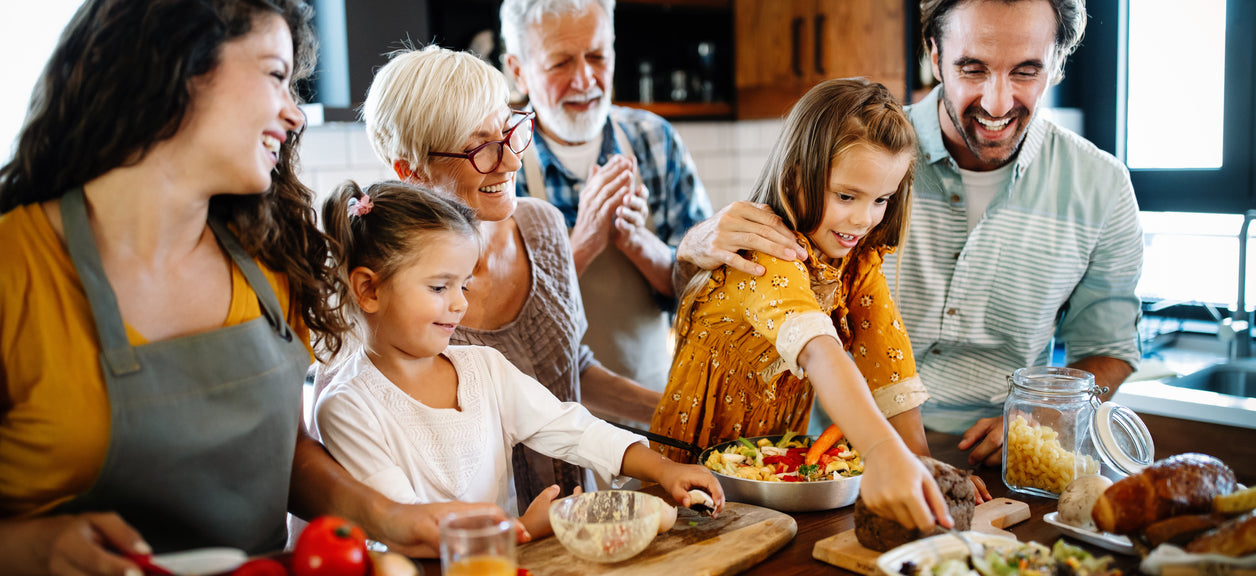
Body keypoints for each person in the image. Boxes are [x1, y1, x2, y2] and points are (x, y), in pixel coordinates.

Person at [0, 1, 498, 572]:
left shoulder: (270, 263)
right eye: (275, 76)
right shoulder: (15, 266)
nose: (296, 115)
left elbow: (276, 454)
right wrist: (30, 548)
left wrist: (384, 516)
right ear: (178, 64)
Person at [678, 0, 1144, 468]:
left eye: (1025, 72)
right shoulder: (856, 145)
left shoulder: (1102, 186)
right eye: (972, 68)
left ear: (1058, 65)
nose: (997, 103)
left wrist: (1044, 413)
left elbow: (1110, 349)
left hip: (1005, 462)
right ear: (935, 54)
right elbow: (726, 291)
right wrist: (690, 248)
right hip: (831, 459)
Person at [313, 180, 724, 543]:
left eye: (464, 284)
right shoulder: (348, 408)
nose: (459, 303)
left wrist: (663, 468)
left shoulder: (484, 369)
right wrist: (523, 529)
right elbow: (406, 528)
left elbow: (570, 427)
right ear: (369, 290)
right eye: (439, 286)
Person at [355, 45, 661, 512]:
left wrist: (677, 418)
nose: (512, 162)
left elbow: (570, 370)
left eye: (510, 132)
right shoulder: (388, 288)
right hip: (478, 535)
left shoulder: (543, 227)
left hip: (575, 514)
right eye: (481, 149)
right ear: (409, 170)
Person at [651, 78, 951, 532]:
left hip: (775, 477)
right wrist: (882, 452)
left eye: (881, 200)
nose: (863, 219)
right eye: (846, 196)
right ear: (796, 175)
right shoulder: (765, 251)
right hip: (684, 476)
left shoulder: (856, 259)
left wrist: (921, 463)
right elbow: (818, 350)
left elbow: (889, 363)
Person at [500, 0, 714, 394]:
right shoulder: (498, 159)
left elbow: (710, 288)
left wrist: (639, 244)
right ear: (518, 71)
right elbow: (498, 316)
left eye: (597, 56)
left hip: (652, 405)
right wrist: (583, 242)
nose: (584, 79)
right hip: (544, 418)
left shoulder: (654, 141)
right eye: (560, 63)